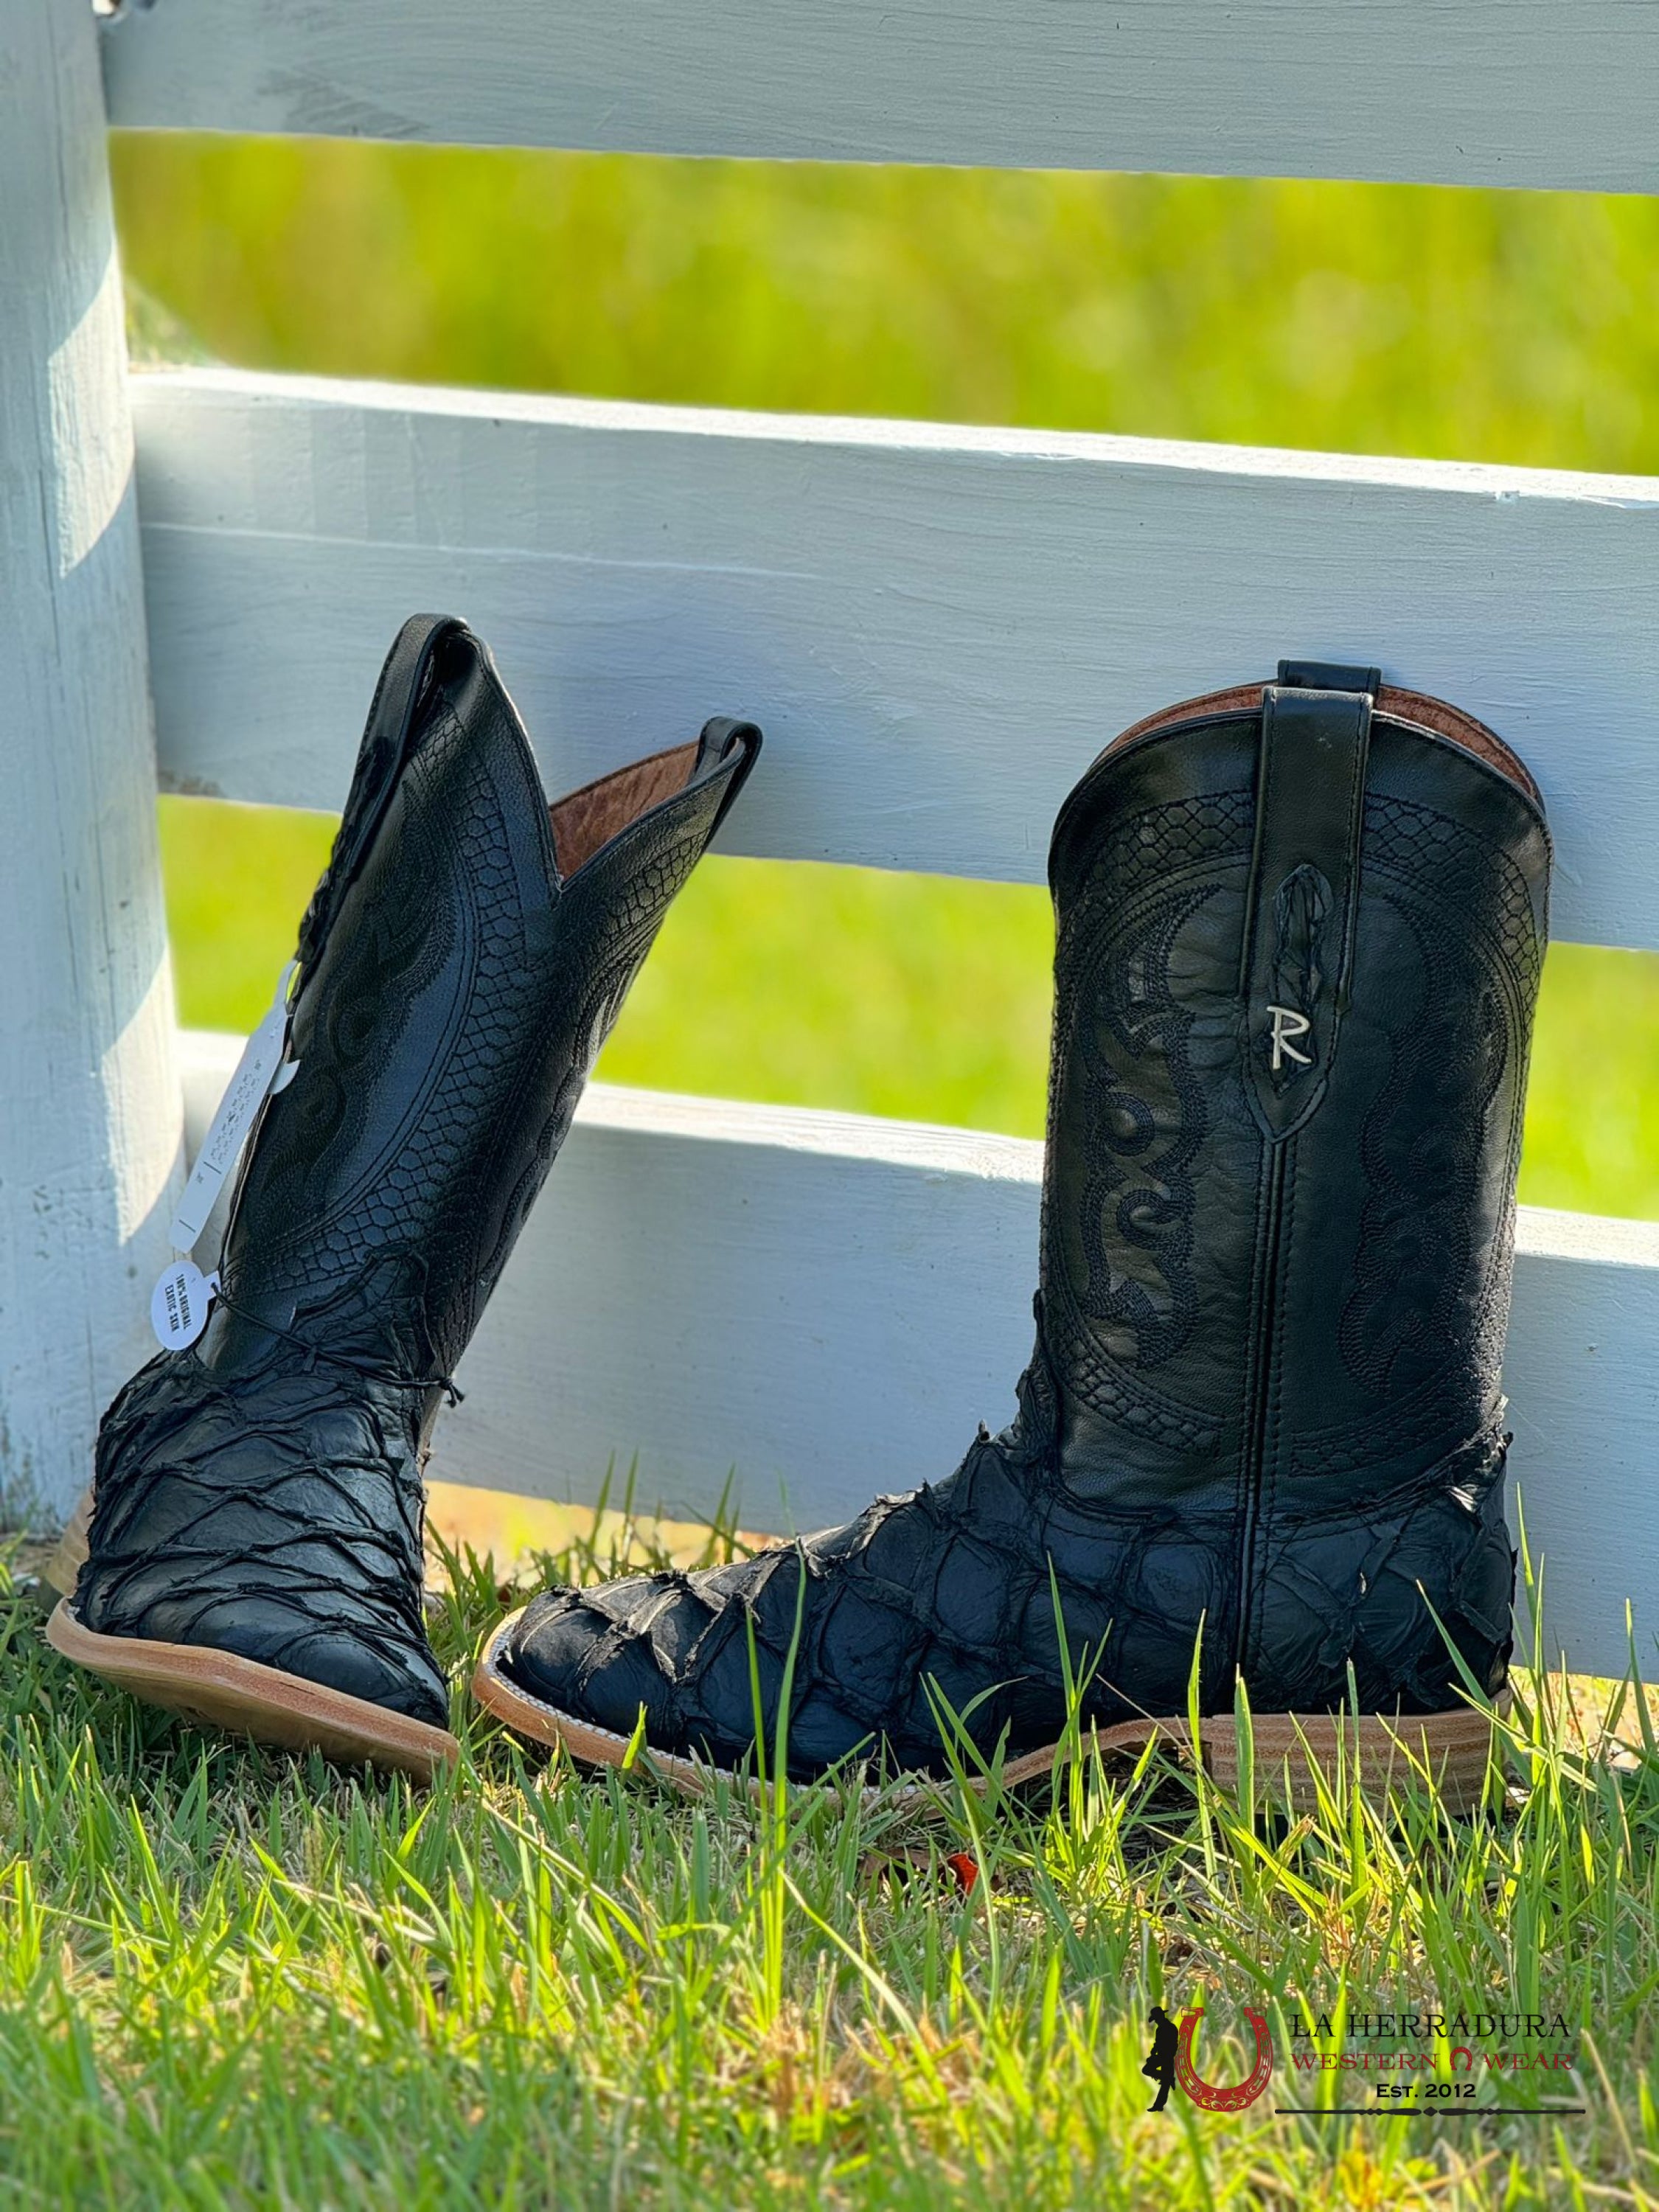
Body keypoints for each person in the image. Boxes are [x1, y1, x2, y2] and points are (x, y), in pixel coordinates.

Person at [1142, 2005, 1180, 2112]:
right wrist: (1154, 2053)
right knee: (1151, 2072)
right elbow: (1158, 2044)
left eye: (1156, 2019)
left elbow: (1173, 2043)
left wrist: (1166, 2053)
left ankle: (1160, 2105)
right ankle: (1167, 2078)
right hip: (1162, 2055)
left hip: (1167, 2056)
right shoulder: (1161, 2029)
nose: (1156, 2021)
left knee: (1151, 2073)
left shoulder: (1170, 2028)